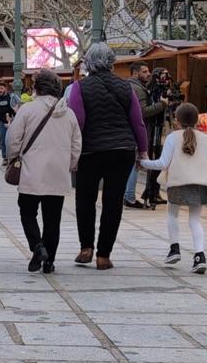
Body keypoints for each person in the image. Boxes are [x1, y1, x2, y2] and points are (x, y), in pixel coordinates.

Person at [65, 43, 149, 270]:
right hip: (121, 150)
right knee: (113, 202)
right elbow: (137, 122)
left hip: (90, 151)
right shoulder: (125, 87)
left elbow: (77, 122)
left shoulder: (79, 88)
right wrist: (142, 151)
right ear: (111, 61)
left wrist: (72, 152)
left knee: (85, 199)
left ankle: (86, 248)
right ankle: (104, 255)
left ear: (88, 62)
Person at [5, 68, 82, 274]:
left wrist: (14, 157)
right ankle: (49, 261)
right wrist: (70, 164)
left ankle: (37, 246)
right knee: (52, 219)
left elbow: (13, 138)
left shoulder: (27, 110)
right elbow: (77, 144)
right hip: (58, 172)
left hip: (32, 170)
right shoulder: (69, 113)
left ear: (36, 88)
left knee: (27, 211)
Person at [140, 103, 207, 274]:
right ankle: (200, 257)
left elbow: (163, 163)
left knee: (172, 214)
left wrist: (143, 162)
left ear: (177, 121)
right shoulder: (205, 138)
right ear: (197, 120)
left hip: (178, 183)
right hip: (200, 184)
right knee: (195, 220)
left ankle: (174, 249)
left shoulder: (173, 137)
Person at [124, 62, 167, 209]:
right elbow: (142, 112)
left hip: (130, 130)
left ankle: (128, 195)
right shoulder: (138, 89)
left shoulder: (131, 86)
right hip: (136, 131)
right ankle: (129, 197)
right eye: (145, 71)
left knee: (132, 164)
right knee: (134, 164)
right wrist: (162, 104)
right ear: (135, 73)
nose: (148, 74)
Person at [141, 67, 174, 206]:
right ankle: (150, 191)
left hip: (164, 127)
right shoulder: (151, 91)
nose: (165, 78)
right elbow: (149, 109)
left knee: (162, 160)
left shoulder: (164, 90)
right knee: (156, 159)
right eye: (163, 75)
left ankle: (156, 191)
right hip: (154, 127)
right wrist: (162, 103)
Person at [0, 84, 19, 163]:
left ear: (6, 89)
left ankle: (13, 156)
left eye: (1, 88)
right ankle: (5, 157)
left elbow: (18, 105)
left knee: (13, 139)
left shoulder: (11, 97)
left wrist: (13, 116)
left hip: (12, 121)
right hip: (2, 122)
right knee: (3, 139)